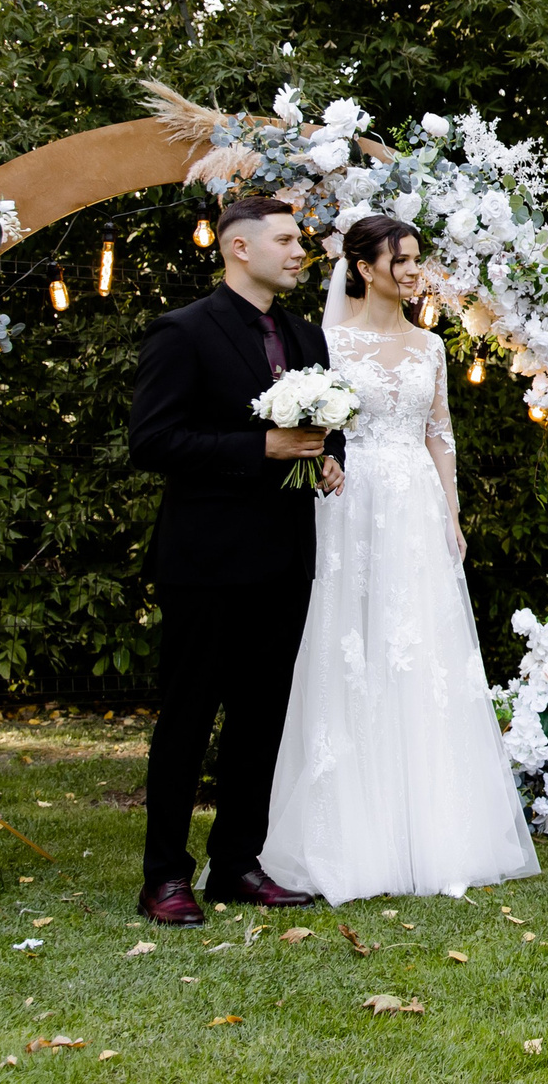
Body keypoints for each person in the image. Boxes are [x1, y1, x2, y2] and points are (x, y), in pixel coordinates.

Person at [258, 213, 540, 902]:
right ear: (364, 266)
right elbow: (309, 427)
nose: (414, 270)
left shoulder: (431, 345)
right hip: (348, 503)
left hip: (414, 505)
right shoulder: (326, 339)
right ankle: (348, 829)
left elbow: (439, 433)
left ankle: (435, 828)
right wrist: (323, 464)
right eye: (402, 259)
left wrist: (450, 511)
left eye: (418, 259)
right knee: (351, 646)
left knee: (419, 652)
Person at [126, 197, 342, 925]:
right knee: (188, 718)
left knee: (261, 718)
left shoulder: (307, 334)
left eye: (300, 239)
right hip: (206, 560)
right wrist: (260, 449)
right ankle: (164, 875)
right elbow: (152, 441)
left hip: (286, 556)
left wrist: (329, 461)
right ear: (237, 249)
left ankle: (237, 862)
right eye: (284, 239)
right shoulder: (183, 332)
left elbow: (324, 429)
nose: (298, 250)